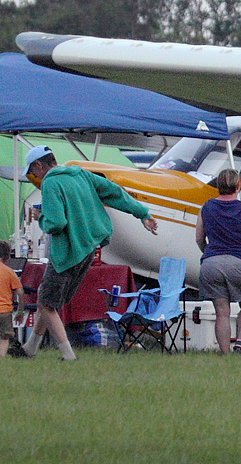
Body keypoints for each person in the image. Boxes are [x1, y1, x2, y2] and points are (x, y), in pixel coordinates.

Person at [21, 146, 158, 361]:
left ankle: (68, 356)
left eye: (32, 172)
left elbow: (56, 223)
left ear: (39, 165)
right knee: (46, 300)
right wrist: (143, 214)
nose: (33, 177)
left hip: (66, 253)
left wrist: (40, 216)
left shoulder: (50, 182)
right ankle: (29, 349)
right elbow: (115, 193)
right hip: (89, 250)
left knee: (47, 304)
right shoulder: (81, 174)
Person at [196, 168, 241, 354]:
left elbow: (199, 239)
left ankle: (226, 355)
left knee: (222, 312)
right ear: (238, 185)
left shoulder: (206, 207)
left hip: (211, 264)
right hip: (240, 263)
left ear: (218, 185)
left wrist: (209, 254)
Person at [0, 258, 21, 358]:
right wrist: (20, 311)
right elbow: (20, 293)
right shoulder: (9, 271)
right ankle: (2, 357)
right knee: (4, 338)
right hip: (5, 311)